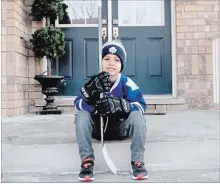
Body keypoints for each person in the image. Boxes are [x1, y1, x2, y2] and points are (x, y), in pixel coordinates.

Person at [74, 40, 148, 182]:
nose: (111, 63)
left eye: (116, 60)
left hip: (120, 128)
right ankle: (87, 161)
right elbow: (77, 104)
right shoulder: (94, 83)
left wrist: (123, 106)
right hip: (97, 129)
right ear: (101, 61)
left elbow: (140, 105)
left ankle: (137, 162)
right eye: (106, 59)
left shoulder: (127, 83)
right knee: (81, 116)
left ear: (122, 64)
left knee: (137, 117)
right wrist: (90, 101)